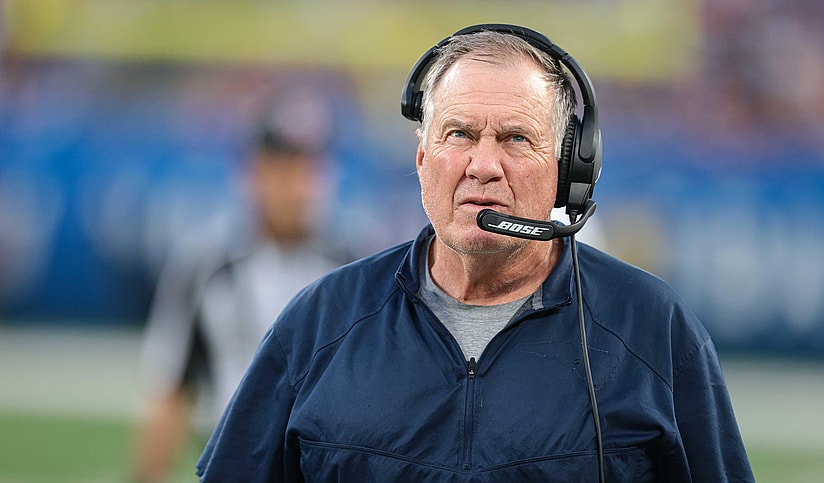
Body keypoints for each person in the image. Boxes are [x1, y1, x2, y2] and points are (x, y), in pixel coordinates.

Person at [196, 25, 754, 482]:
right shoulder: (320, 321)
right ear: (422, 159)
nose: (482, 165)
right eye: (459, 134)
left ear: (568, 172)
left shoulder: (654, 327)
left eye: (515, 138)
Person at [133, 85, 344, 483]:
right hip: (235, 464)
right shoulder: (204, 263)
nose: (297, 187)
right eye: (283, 168)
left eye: (309, 169)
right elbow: (169, 386)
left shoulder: (352, 265)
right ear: (253, 172)